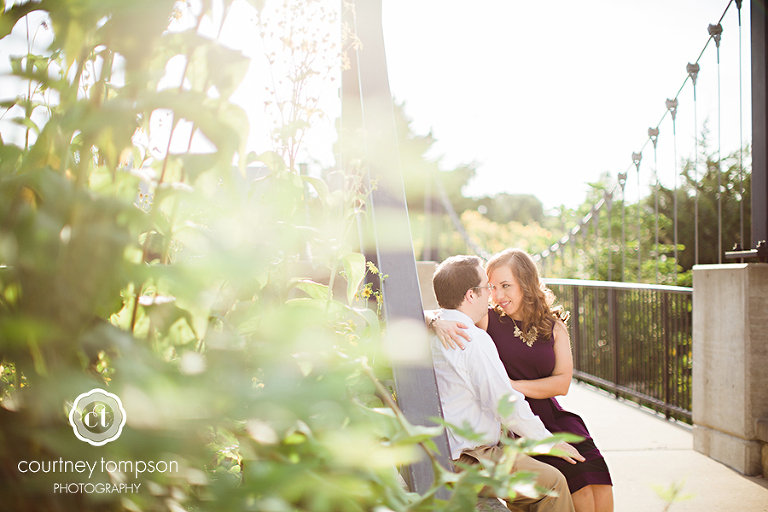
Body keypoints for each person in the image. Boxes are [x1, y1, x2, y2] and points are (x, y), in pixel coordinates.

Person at [432, 249, 614, 512]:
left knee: (598, 477)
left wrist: (510, 385)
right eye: (491, 287)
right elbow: (448, 307)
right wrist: (433, 320)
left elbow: (562, 384)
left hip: (549, 414)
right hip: (515, 424)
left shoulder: (553, 325)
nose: (496, 295)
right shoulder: (483, 322)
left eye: (505, 286)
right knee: (576, 486)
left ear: (525, 283)